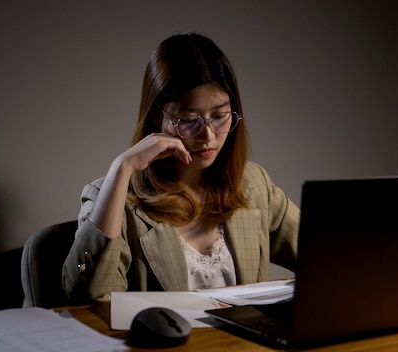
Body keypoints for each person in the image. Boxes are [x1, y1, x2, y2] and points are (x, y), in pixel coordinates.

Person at [62, 32, 300, 303]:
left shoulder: (253, 183)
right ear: (156, 115)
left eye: (220, 116)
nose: (208, 136)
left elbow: (328, 255)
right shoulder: (113, 196)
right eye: (189, 120)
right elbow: (85, 291)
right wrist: (122, 167)